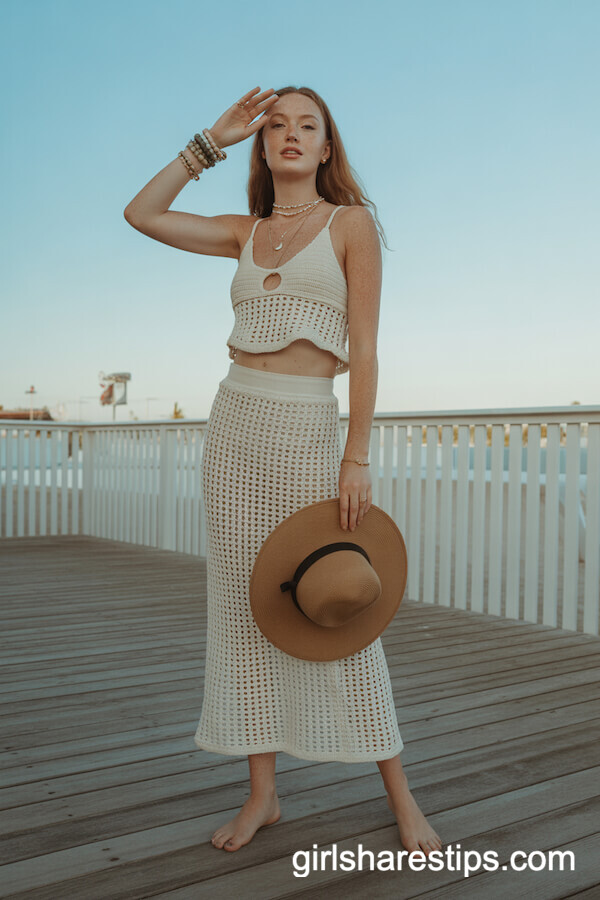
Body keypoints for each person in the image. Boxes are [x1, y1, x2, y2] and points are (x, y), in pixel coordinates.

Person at [124, 85, 442, 856]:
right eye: (277, 126)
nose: (291, 135)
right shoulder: (245, 231)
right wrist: (210, 140)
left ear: (327, 148)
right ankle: (263, 794)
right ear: (263, 145)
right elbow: (142, 213)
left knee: (339, 604)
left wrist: (356, 455)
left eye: (308, 126)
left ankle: (401, 796)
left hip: (307, 432)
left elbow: (365, 351)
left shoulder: (350, 224)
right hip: (235, 428)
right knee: (246, 609)